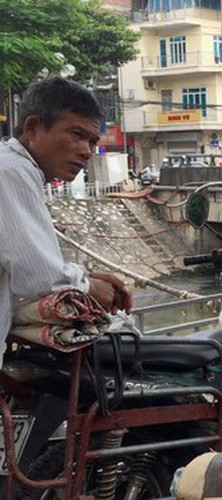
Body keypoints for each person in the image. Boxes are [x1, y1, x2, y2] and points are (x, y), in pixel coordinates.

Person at [0, 77, 133, 365]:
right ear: (33, 128)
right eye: (76, 134)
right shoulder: (11, 171)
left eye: (92, 141)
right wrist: (88, 287)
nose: (86, 151)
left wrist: (84, 279)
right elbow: (38, 276)